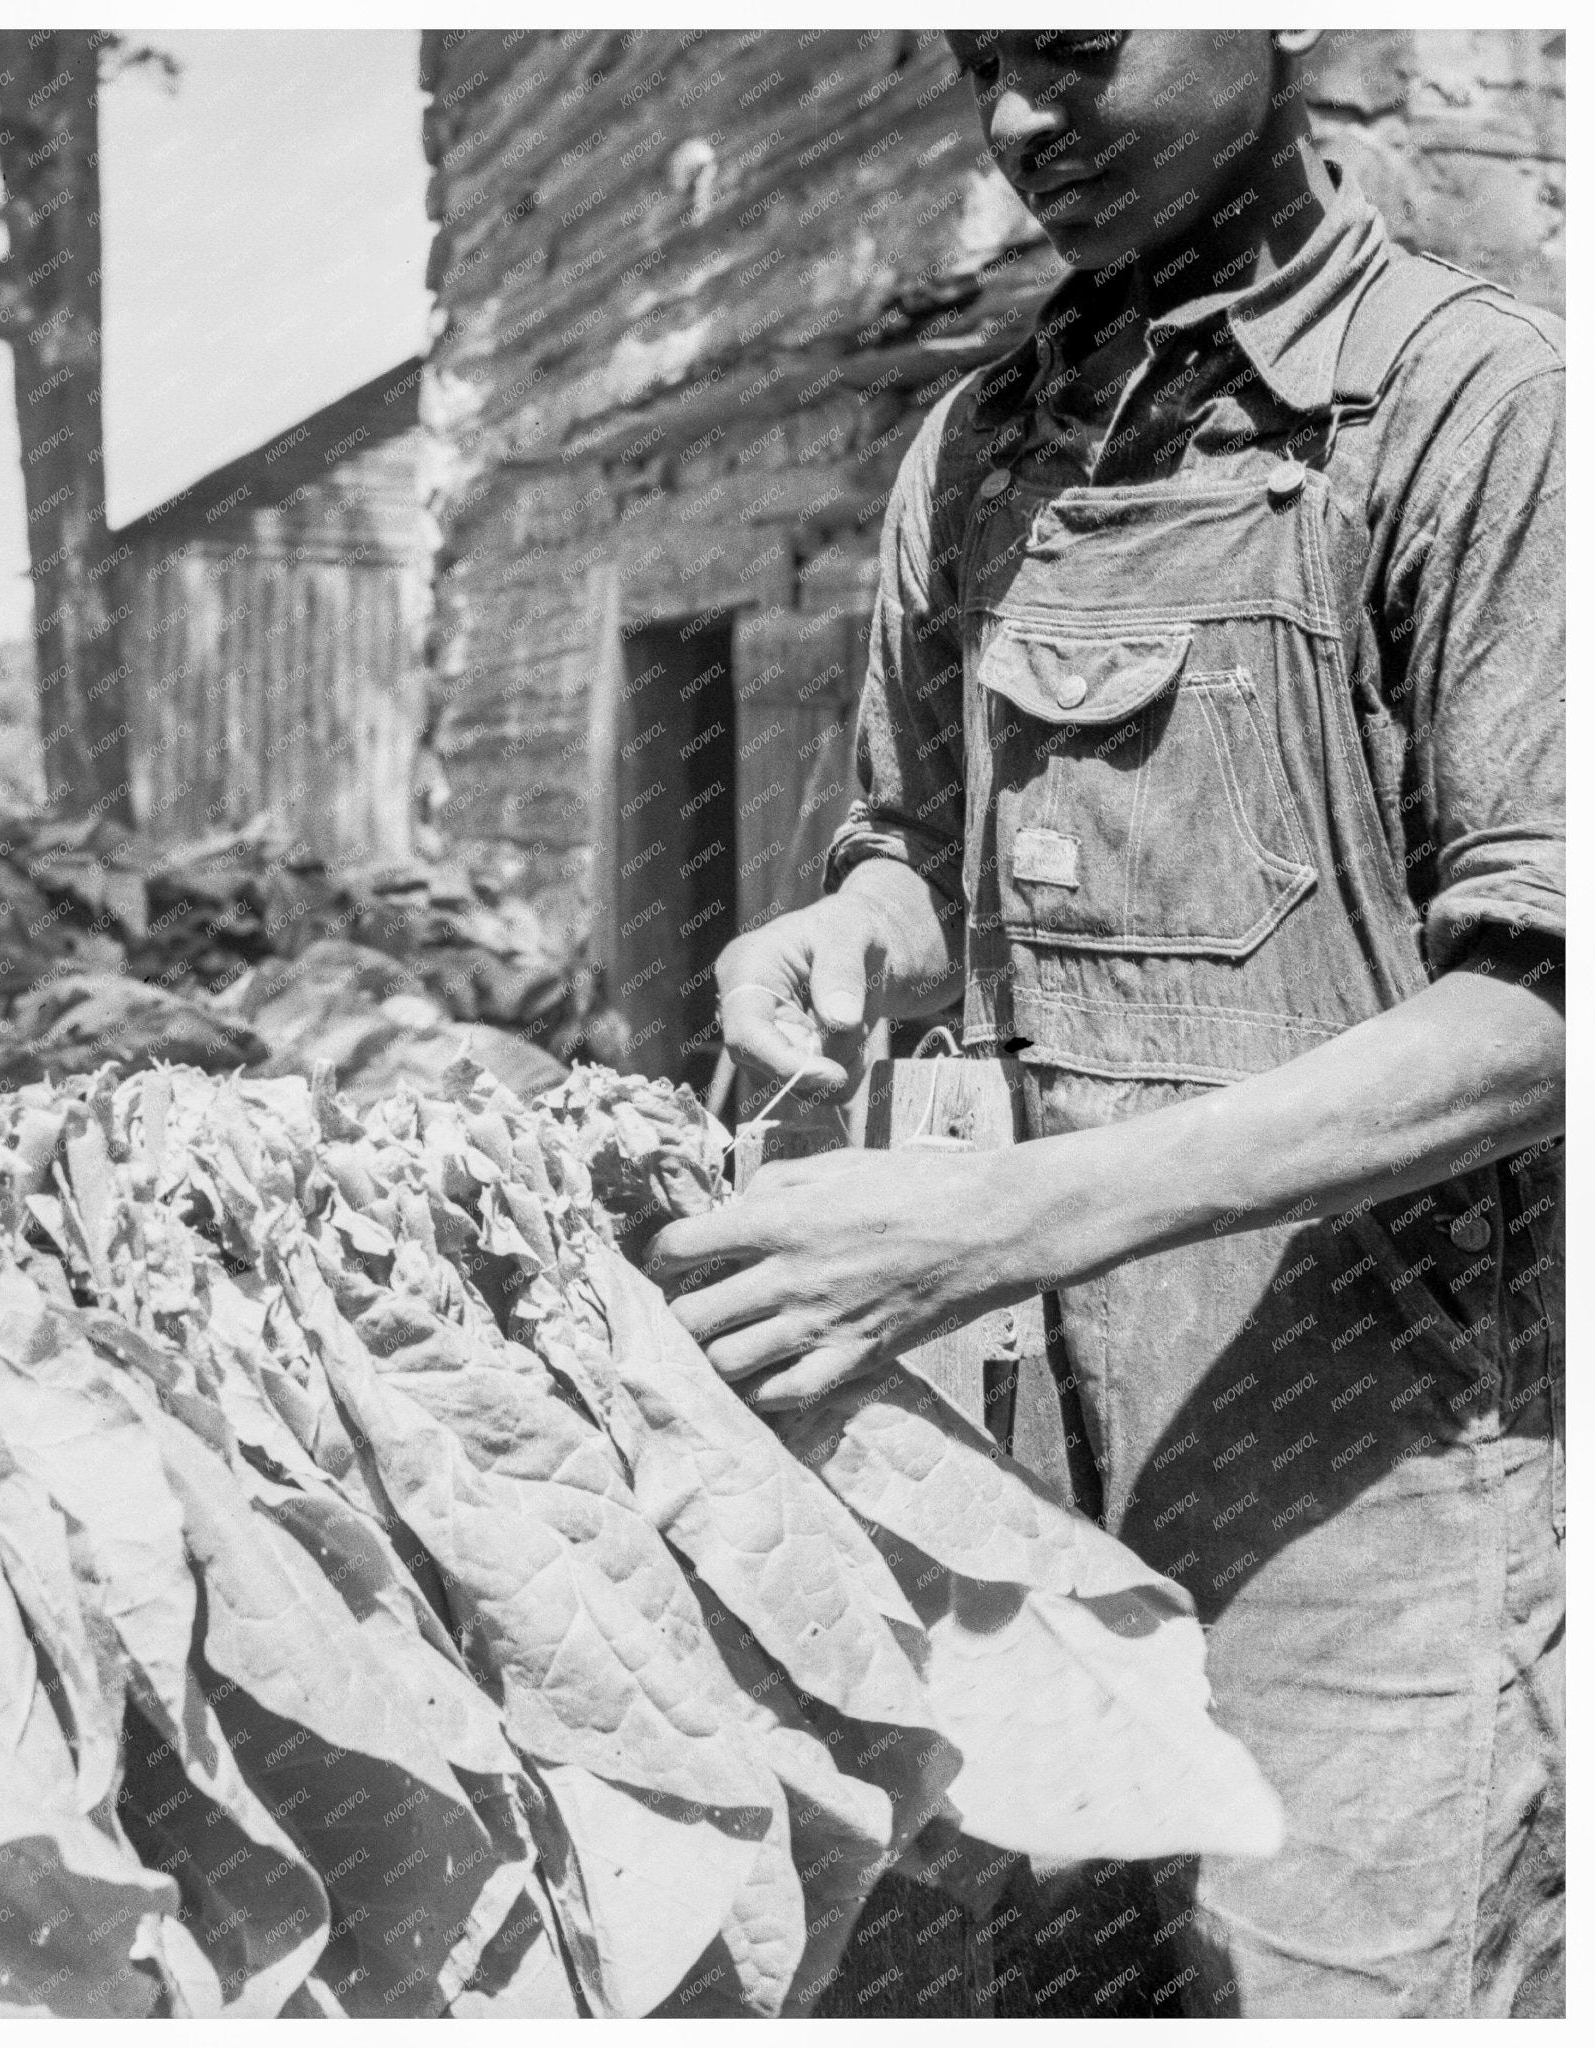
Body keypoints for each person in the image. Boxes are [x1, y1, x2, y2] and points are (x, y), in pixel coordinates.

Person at [647, 29, 1563, 2019]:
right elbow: (913, 860)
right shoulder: (980, 447)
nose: (1017, 126)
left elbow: (1541, 1018)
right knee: (1037, 1973)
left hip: (1366, 1485)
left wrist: (1003, 1217)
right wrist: (844, 936)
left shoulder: (1477, 413)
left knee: (1321, 1985)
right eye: (983, 68)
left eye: (1073, 54)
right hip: (1019, 1454)